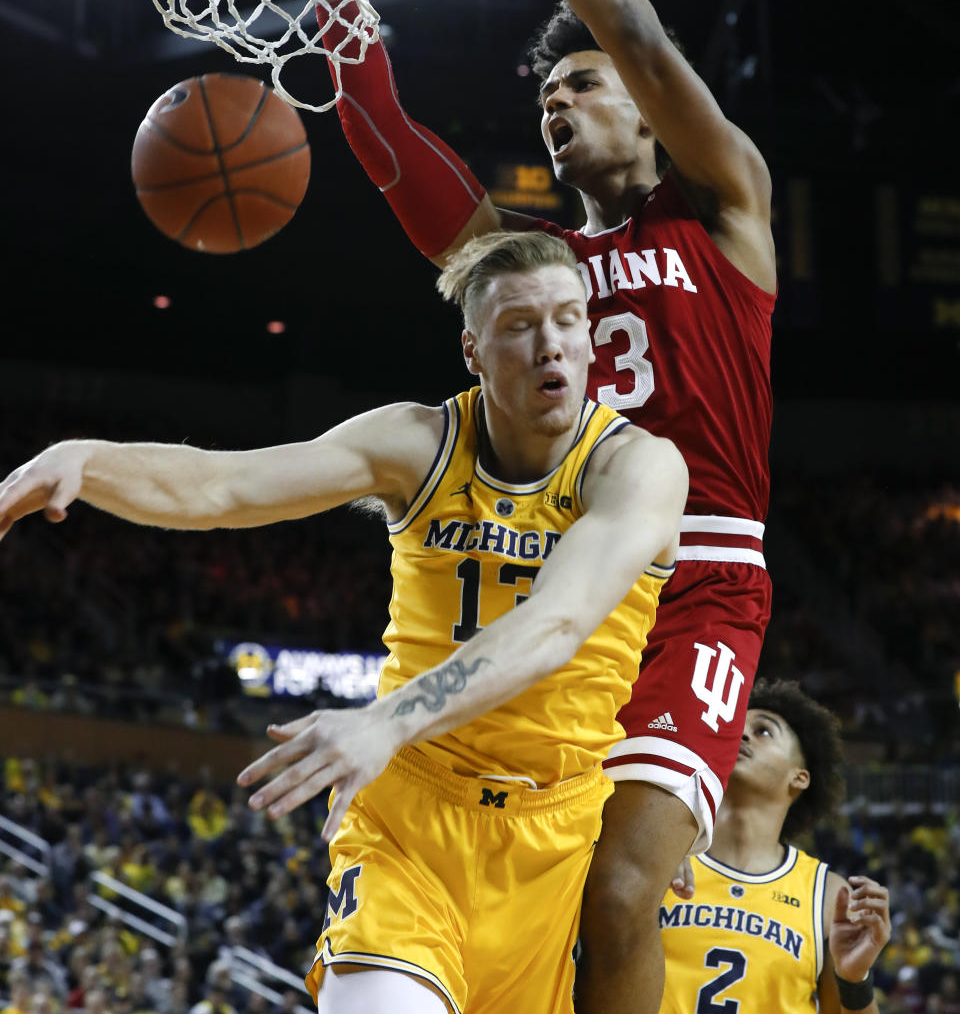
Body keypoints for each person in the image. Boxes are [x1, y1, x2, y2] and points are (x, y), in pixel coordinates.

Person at [277, 0, 776, 1013]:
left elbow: (642, 33)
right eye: (547, 95)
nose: (560, 106)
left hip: (698, 578)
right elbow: (392, 145)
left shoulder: (724, 209)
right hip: (555, 587)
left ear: (650, 114)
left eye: (585, 86)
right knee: (550, 918)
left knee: (619, 891)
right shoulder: (523, 263)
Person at [0, 230, 688, 1014]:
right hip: (411, 822)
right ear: (473, 349)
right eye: (519, 325)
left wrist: (385, 718)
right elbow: (224, 487)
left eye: (567, 319)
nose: (549, 344)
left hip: (560, 833)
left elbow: (560, 622)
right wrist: (88, 458)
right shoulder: (417, 442)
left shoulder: (637, 466)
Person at [659, 679, 891, 1013]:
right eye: (735, 726)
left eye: (764, 731)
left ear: (800, 776)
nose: (742, 734)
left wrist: (854, 980)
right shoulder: (660, 853)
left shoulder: (826, 896)